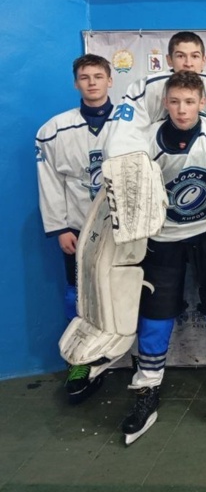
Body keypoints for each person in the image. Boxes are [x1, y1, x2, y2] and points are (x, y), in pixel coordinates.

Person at [121, 71, 206, 444]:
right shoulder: (147, 138)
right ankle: (147, 389)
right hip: (162, 237)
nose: (182, 109)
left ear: (202, 103)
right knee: (155, 316)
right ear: (165, 102)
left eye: (190, 102)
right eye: (176, 101)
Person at [36, 54, 115, 404]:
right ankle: (81, 360)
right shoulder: (54, 130)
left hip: (125, 229)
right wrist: (60, 228)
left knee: (133, 290)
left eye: (98, 76)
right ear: (75, 83)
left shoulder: (131, 122)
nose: (92, 82)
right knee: (78, 294)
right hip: (79, 229)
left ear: (110, 80)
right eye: (85, 77)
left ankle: (136, 355)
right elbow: (50, 182)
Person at [105, 31, 206, 168]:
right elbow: (124, 138)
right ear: (169, 60)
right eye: (180, 56)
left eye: (195, 56)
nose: (188, 63)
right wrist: (127, 169)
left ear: (204, 60)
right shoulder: (145, 88)